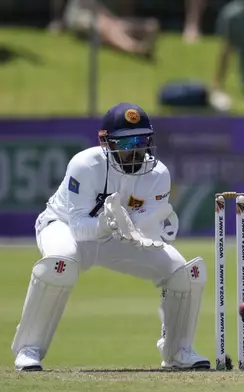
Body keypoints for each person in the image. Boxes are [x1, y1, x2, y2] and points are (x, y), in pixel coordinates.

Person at [11, 103, 209, 371]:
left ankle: (178, 351)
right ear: (105, 142)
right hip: (64, 226)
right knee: (61, 263)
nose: (136, 150)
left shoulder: (158, 174)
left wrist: (147, 229)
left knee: (182, 272)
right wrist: (105, 224)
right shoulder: (85, 165)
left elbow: (147, 229)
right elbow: (79, 226)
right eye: (127, 143)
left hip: (117, 238)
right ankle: (28, 350)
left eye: (142, 140)